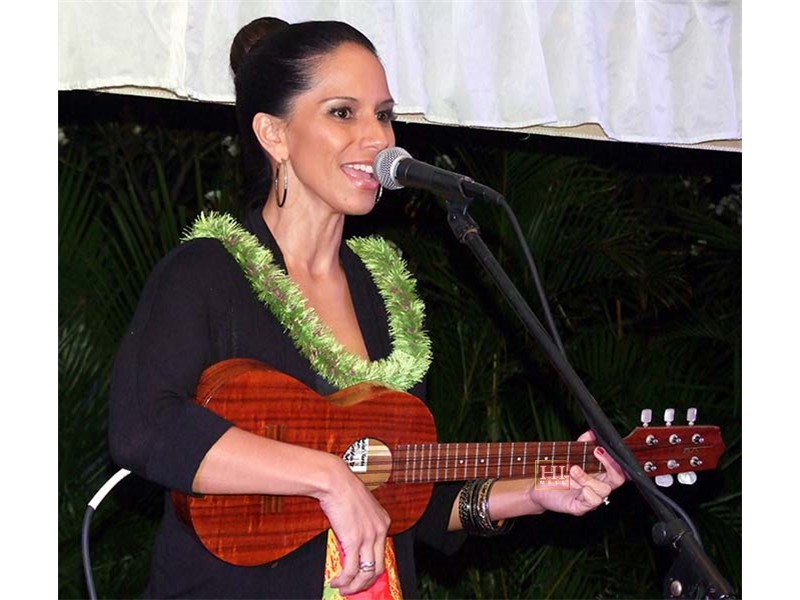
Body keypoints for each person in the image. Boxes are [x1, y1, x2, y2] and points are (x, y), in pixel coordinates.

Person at [108, 16, 625, 599]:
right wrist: (327, 476)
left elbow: (407, 501)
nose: (379, 138)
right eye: (342, 112)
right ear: (274, 135)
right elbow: (143, 426)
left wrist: (533, 493)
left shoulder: (384, 295)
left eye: (382, 114)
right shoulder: (207, 272)